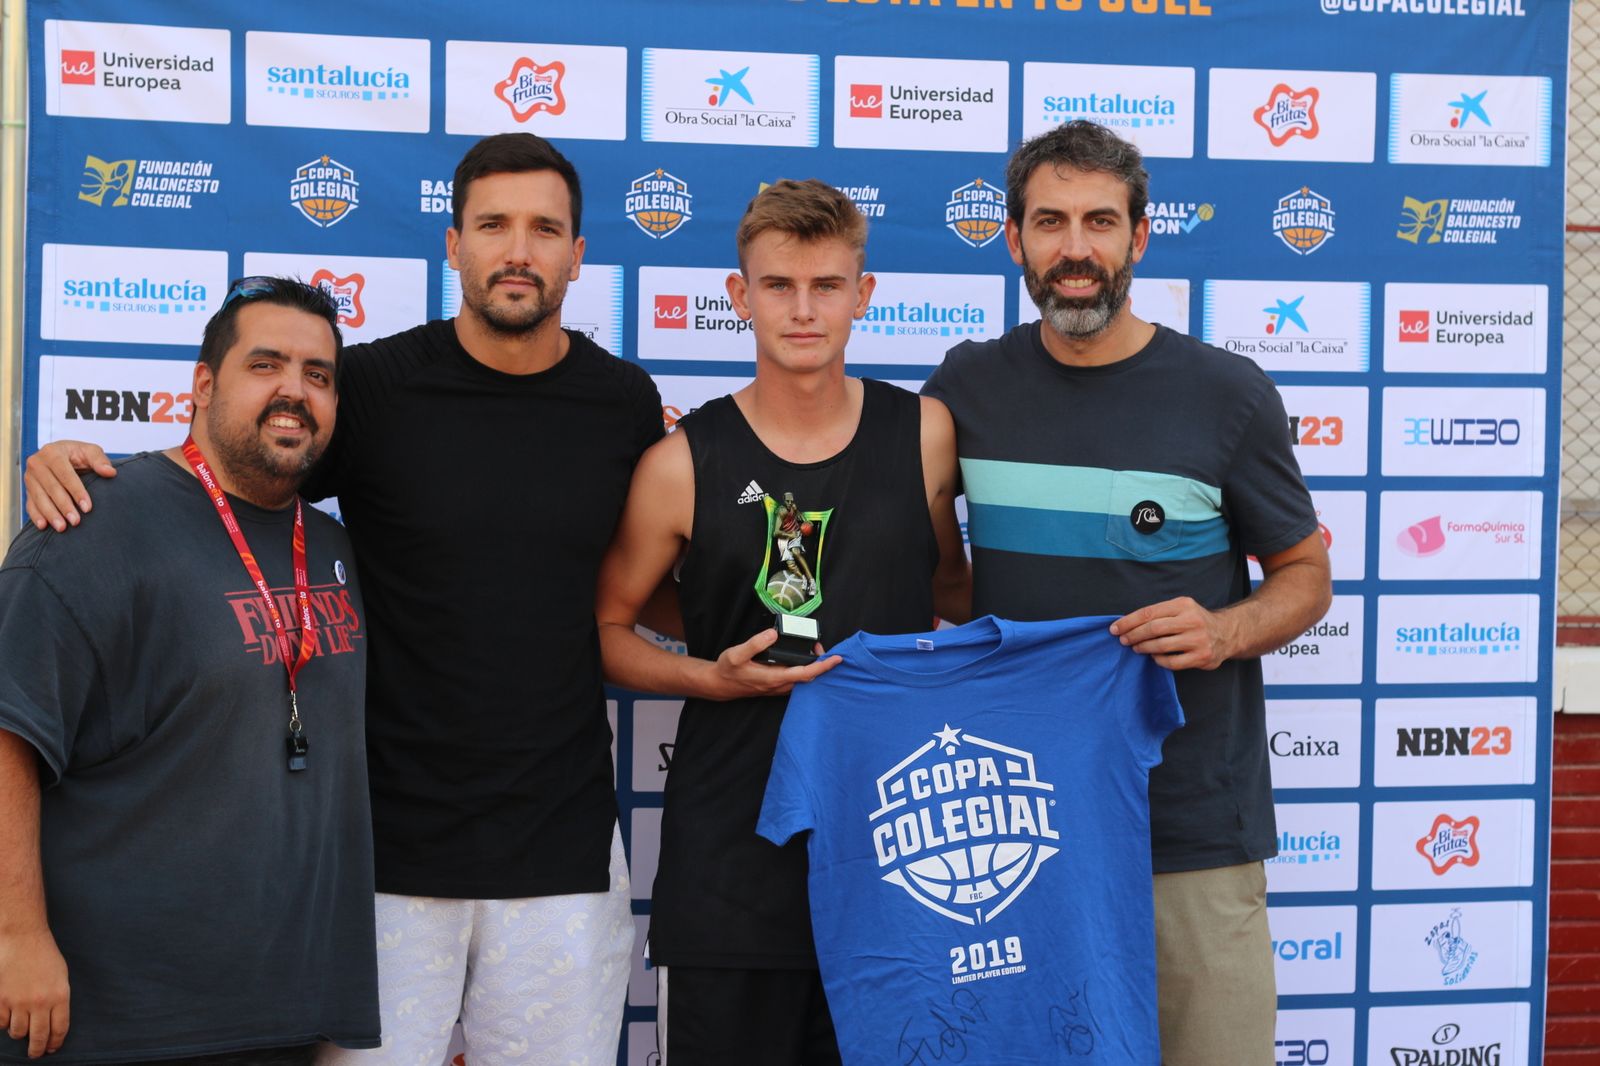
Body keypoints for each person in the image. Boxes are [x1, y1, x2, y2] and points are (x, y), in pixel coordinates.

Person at [22, 134, 660, 1066]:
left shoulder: (624, 402)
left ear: (577, 254)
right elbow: (232, 471)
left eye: (544, 228)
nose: (518, 250)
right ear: (453, 245)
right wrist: (76, 464)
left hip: (563, 850)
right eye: (493, 225)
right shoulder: (371, 389)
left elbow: (641, 584)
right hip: (377, 858)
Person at [921, 120, 1333, 1066]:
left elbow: (1306, 577)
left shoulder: (1226, 394)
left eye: (1100, 222)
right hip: (1017, 834)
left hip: (1189, 824)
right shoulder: (964, 389)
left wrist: (1227, 630)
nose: (1076, 249)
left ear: (1139, 238)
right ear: (1013, 237)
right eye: (1051, 221)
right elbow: (932, 573)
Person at [594, 179, 970, 1065]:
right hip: (732, 862)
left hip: (897, 857)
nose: (803, 311)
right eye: (778, 286)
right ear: (740, 295)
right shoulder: (681, 462)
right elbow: (607, 625)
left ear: (863, 294)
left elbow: (953, 594)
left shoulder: (926, 434)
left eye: (827, 286)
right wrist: (707, 673)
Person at [0, 278, 377, 1065]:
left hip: (283, 1013)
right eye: (266, 364)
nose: (293, 392)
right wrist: (17, 935)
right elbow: (10, 735)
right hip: (117, 1019)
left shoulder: (334, 548)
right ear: (203, 385)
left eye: (318, 375)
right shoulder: (90, 524)